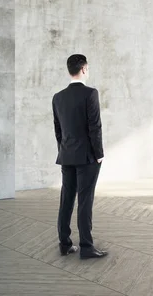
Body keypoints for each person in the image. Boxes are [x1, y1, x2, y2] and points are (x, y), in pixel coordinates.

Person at [52, 54, 108, 260]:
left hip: (66, 155)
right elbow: (95, 127)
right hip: (87, 157)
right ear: (84, 69)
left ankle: (65, 244)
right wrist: (99, 154)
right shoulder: (90, 93)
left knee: (66, 199)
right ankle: (86, 247)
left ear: (70, 70)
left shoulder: (58, 97)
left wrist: (63, 150)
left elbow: (57, 130)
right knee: (85, 200)